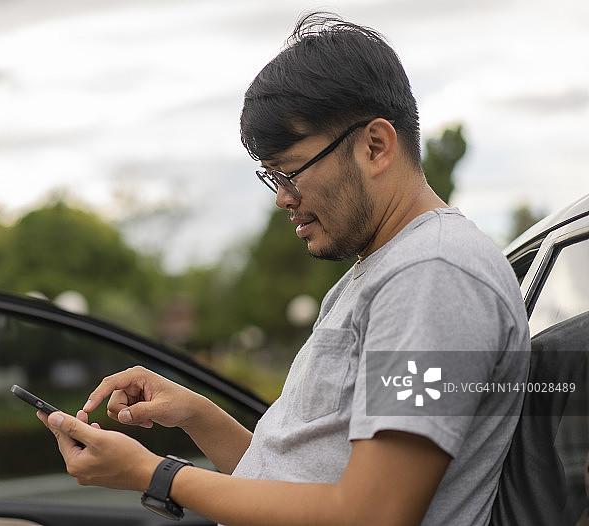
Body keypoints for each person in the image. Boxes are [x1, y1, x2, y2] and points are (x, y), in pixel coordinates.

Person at [37, 12, 530, 526]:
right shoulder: (385, 272)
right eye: (271, 178)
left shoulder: (433, 277)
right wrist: (197, 415)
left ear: (375, 146)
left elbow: (374, 513)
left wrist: (155, 474)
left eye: (291, 171)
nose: (283, 199)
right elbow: (296, 486)